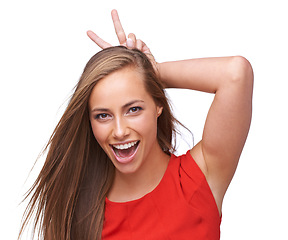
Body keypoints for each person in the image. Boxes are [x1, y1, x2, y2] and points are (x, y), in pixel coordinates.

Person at [19, 9, 253, 240]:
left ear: (158, 105)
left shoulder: (200, 179)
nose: (119, 131)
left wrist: (151, 73)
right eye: (103, 115)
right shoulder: (77, 211)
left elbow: (235, 73)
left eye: (133, 109)